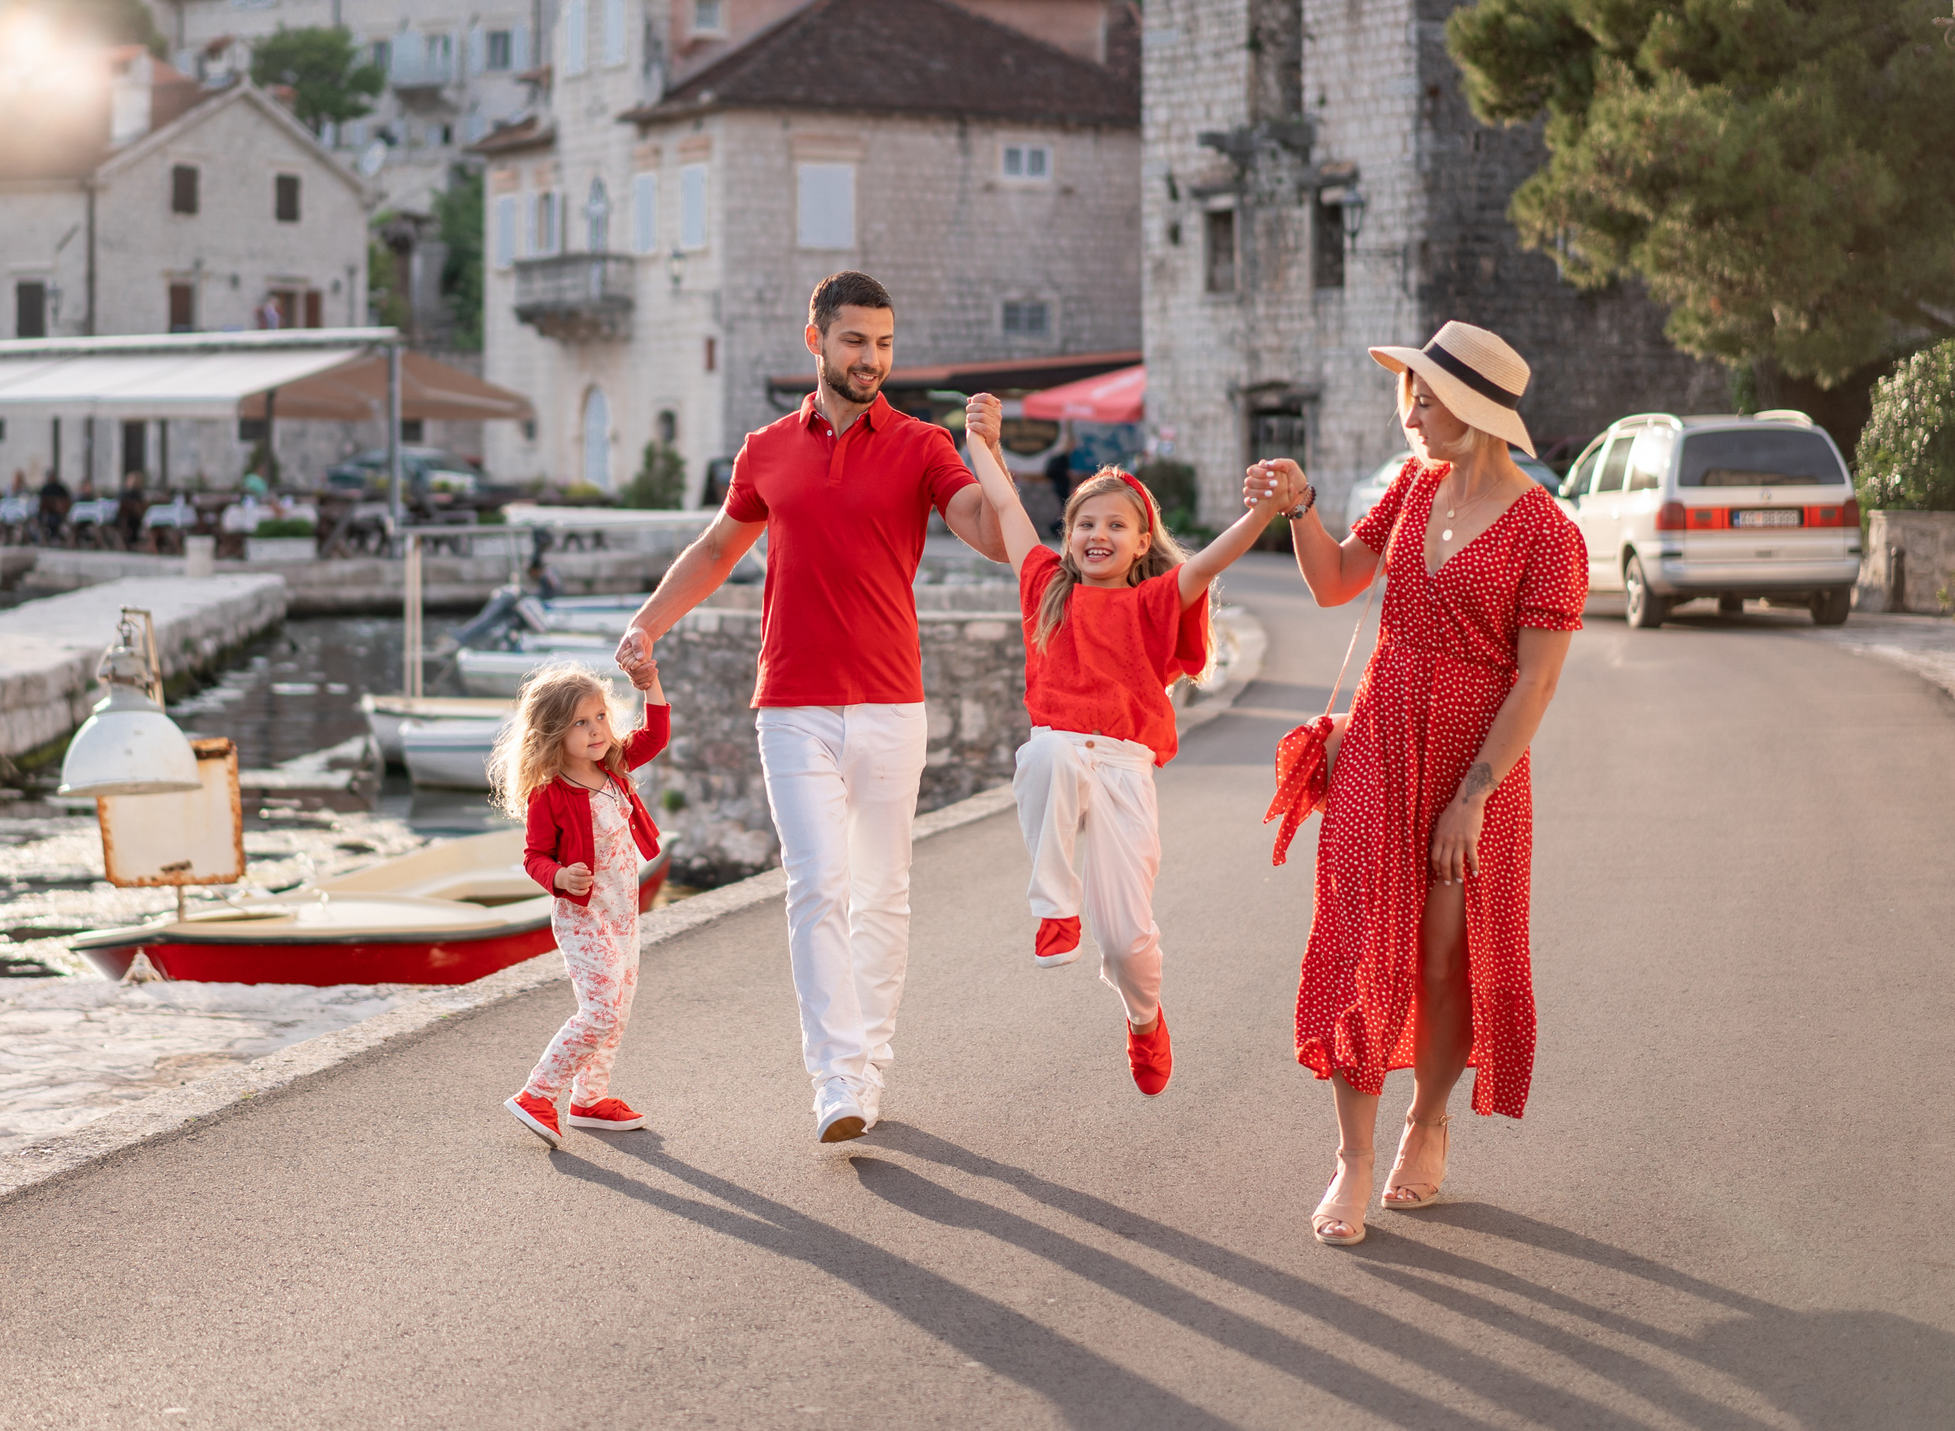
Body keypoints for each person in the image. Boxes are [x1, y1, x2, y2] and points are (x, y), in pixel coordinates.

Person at [615, 271, 1010, 1146]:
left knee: (882, 892)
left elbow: (986, 532)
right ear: (817, 340)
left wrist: (987, 451)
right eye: (855, 342)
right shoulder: (764, 448)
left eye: (884, 344)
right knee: (816, 887)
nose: (871, 359)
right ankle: (836, 1076)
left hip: (890, 702)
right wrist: (649, 622)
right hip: (789, 701)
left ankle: (870, 1056)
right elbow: (721, 544)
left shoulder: (919, 443)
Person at [1245, 321, 1585, 1247]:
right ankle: (1351, 1160)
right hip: (1381, 739)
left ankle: (1426, 1120)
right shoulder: (1412, 487)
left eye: (1427, 398)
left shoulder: (1550, 534)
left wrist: (1473, 794)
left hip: (1475, 765)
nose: (1411, 412)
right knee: (1361, 940)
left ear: (1475, 410)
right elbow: (1333, 582)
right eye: (1411, 394)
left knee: (1443, 958)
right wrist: (1302, 508)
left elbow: (1537, 681)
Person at [959, 395, 1283, 1094]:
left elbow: (1206, 565)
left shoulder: (1154, 601)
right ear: (1068, 534)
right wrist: (982, 442)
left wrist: (1261, 513)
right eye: (1084, 523)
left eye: (1115, 524)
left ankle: (1143, 1019)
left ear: (1143, 543)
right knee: (1045, 752)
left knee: (1128, 939)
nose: (1096, 533)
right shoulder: (1046, 587)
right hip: (1060, 754)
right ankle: (1054, 907)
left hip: (1125, 771)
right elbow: (1009, 513)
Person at [498, 657, 672, 1146]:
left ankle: (590, 1099)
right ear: (553, 732)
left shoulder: (612, 765)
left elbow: (655, 736)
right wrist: (559, 876)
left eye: (599, 717)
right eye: (580, 722)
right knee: (601, 1012)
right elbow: (534, 856)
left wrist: (650, 682)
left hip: (623, 916)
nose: (596, 730)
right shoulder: (549, 792)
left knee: (620, 1008)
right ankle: (537, 1093)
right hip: (582, 918)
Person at [37, 470, 72, 543]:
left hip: (59, 514)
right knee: (41, 519)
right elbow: (41, 503)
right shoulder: (45, 489)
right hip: (47, 513)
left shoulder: (60, 489)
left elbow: (66, 501)